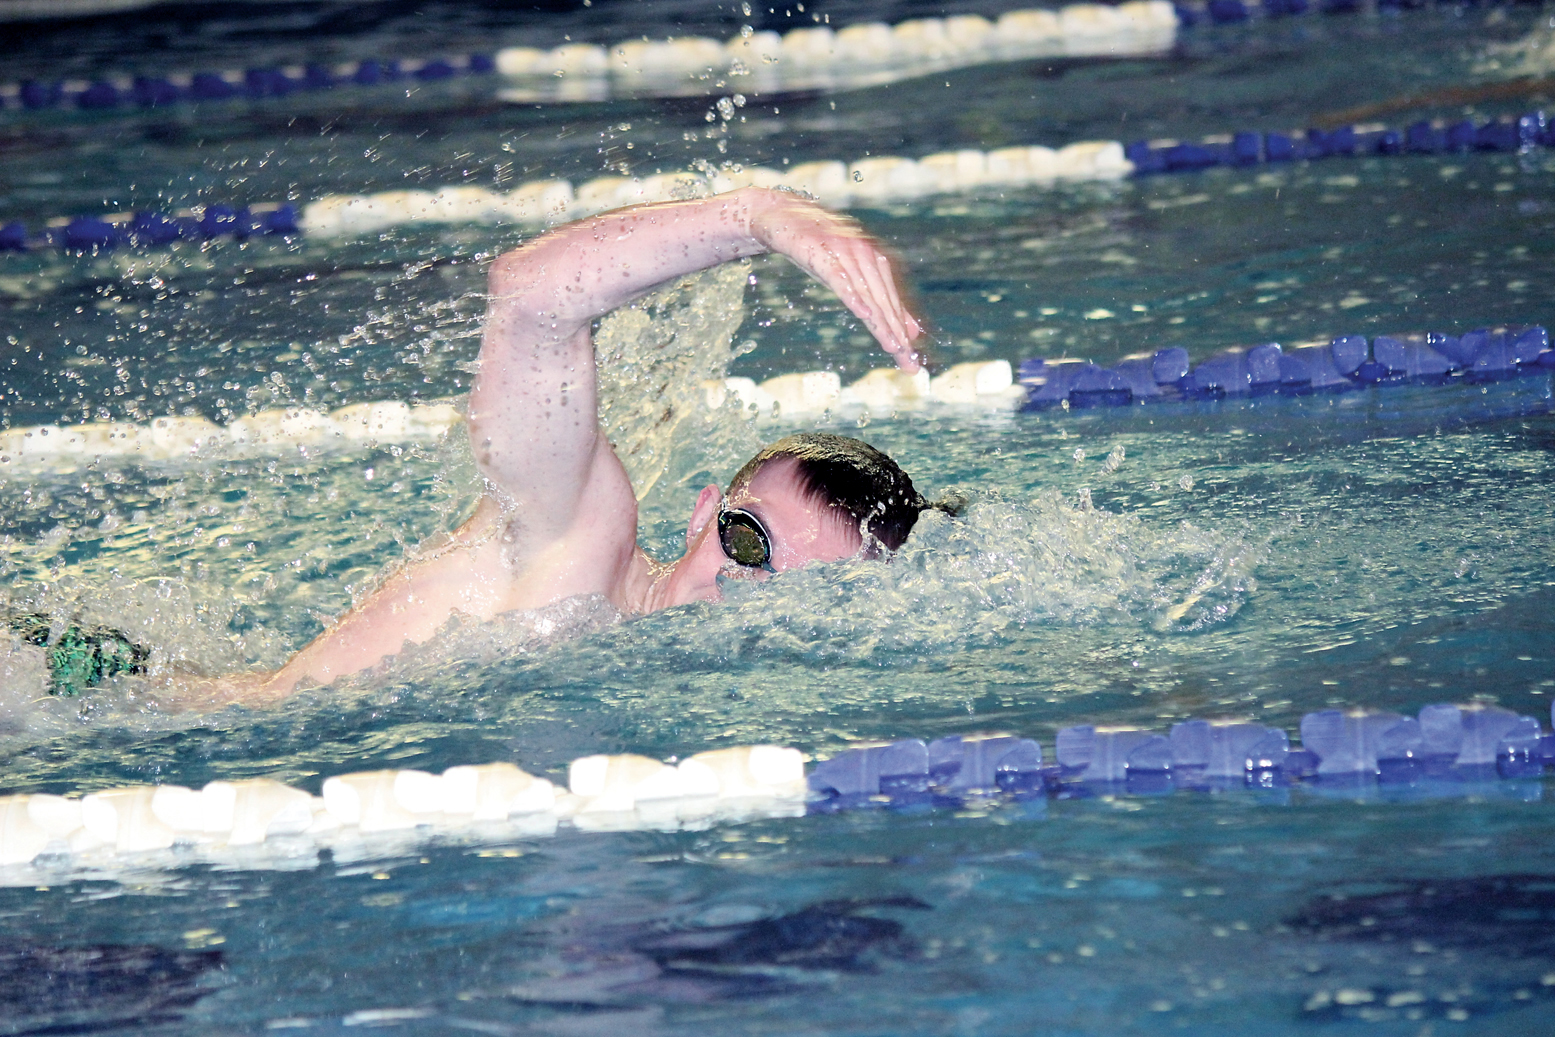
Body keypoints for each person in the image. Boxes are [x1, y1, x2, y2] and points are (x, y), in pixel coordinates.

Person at [190, 188, 934, 704]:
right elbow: (531, 295)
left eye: (800, 589)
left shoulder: (651, 671)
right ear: (704, 514)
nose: (748, 587)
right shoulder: (581, 538)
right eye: (748, 543)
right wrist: (759, 216)